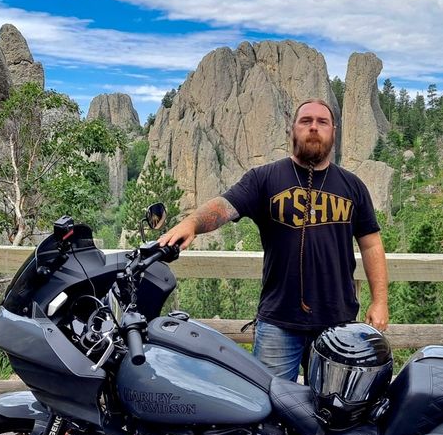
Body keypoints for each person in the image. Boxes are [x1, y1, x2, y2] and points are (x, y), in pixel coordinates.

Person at [159, 99, 389, 382]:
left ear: (334, 131)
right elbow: (225, 206)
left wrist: (380, 301)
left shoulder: (353, 186)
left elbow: (371, 244)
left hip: (338, 323)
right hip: (278, 323)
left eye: (322, 122)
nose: (313, 128)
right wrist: (192, 222)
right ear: (292, 130)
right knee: (271, 409)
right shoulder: (264, 179)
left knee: (333, 411)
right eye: (306, 121)